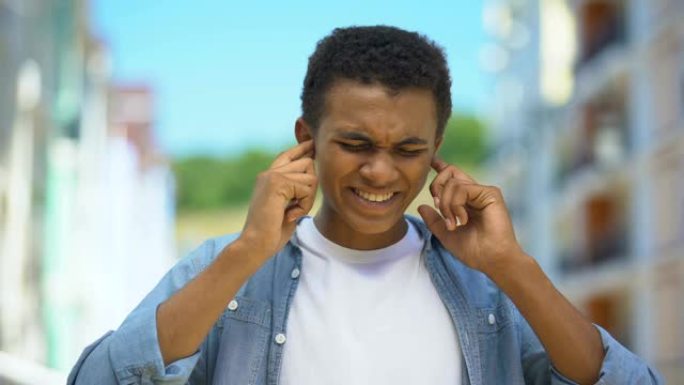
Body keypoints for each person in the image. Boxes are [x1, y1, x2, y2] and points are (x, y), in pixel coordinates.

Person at [68, 25, 661, 385]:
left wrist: (513, 267)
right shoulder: (228, 273)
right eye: (355, 144)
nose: (380, 171)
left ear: (436, 150)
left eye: (408, 149)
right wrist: (249, 251)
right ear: (307, 136)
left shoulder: (486, 291)